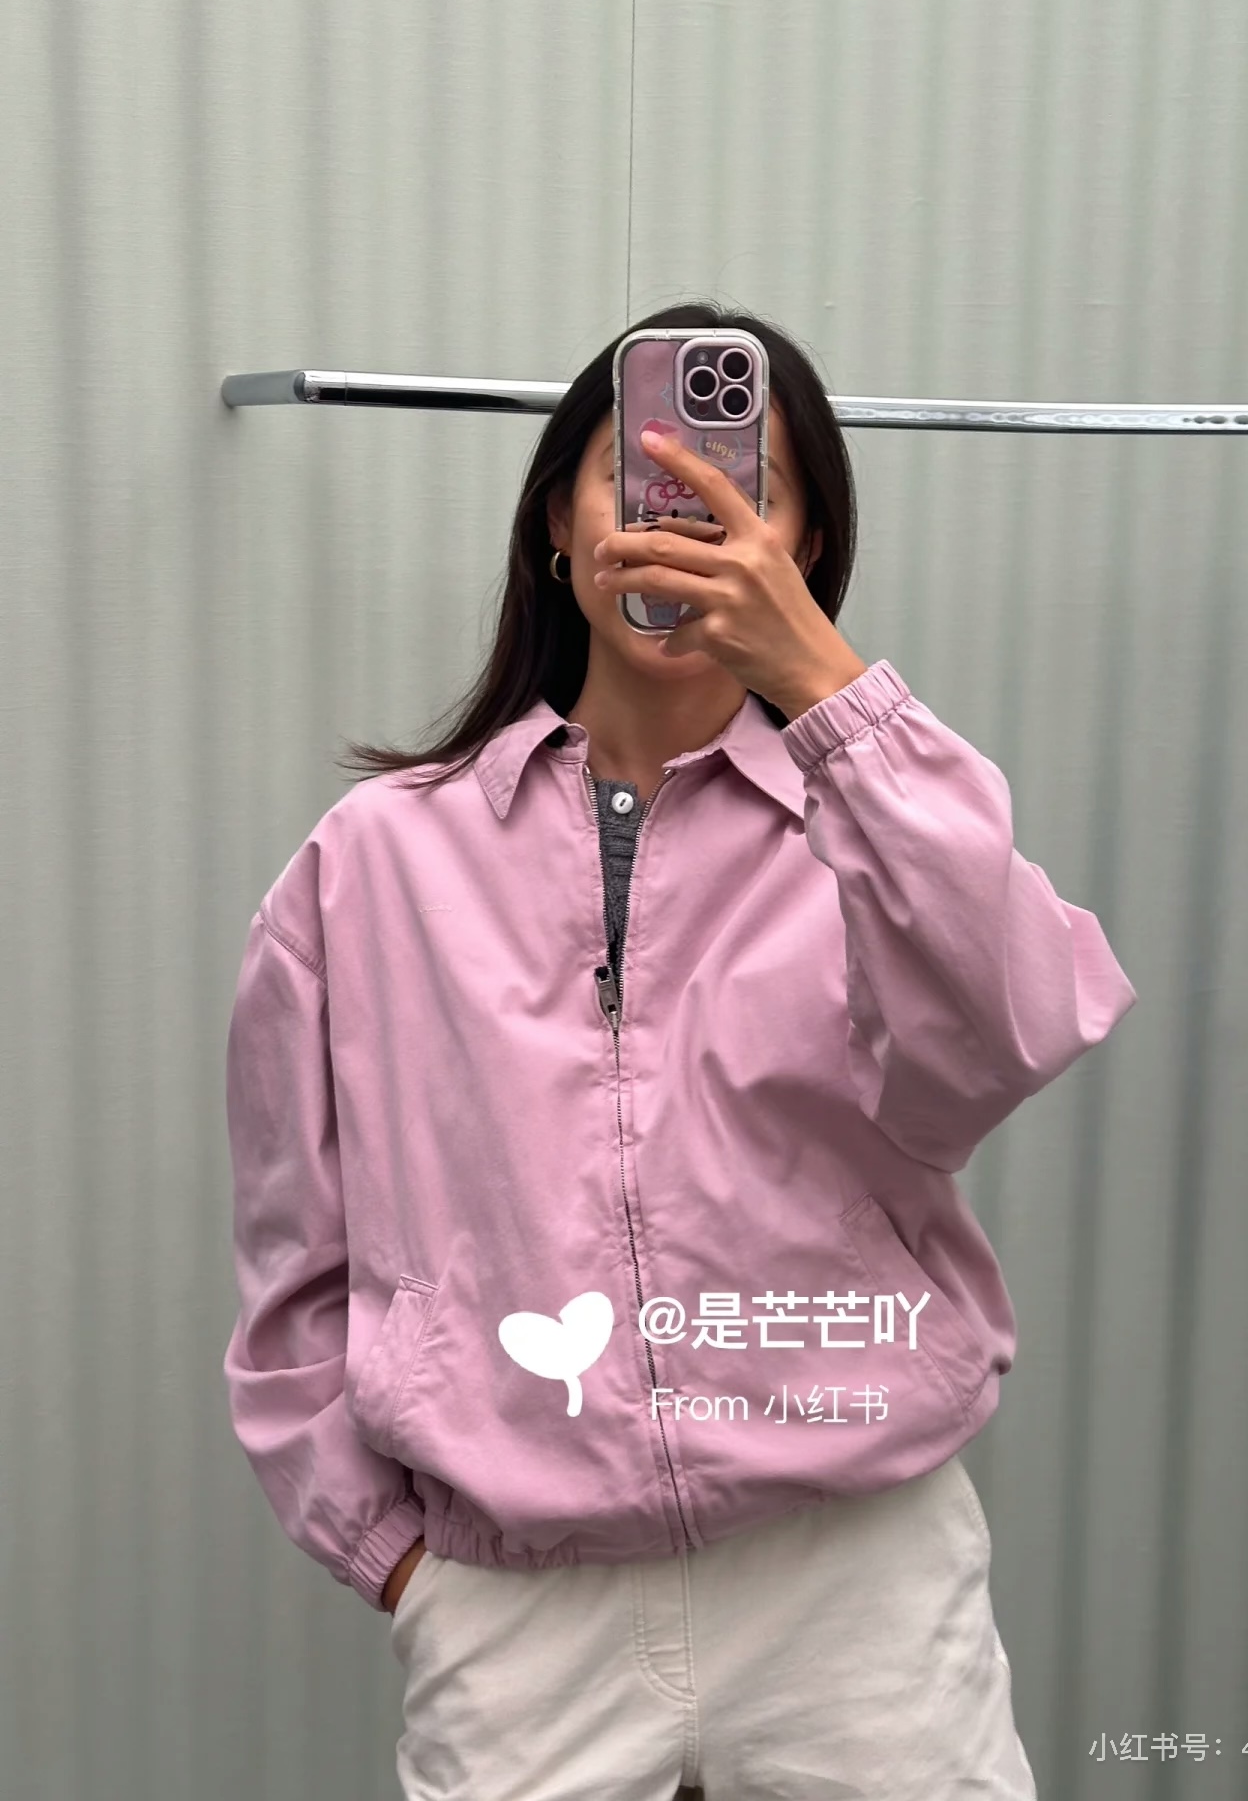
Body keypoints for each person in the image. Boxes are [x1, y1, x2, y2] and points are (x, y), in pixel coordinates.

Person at [223, 300, 1138, 1800]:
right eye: (636, 476)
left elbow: (1019, 1026)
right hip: (522, 1606)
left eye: (742, 486)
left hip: (855, 1584)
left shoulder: (882, 839)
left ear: (805, 548)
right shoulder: (369, 864)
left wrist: (831, 690)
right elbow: (292, 1265)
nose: (685, 513)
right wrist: (397, 1560)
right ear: (557, 528)